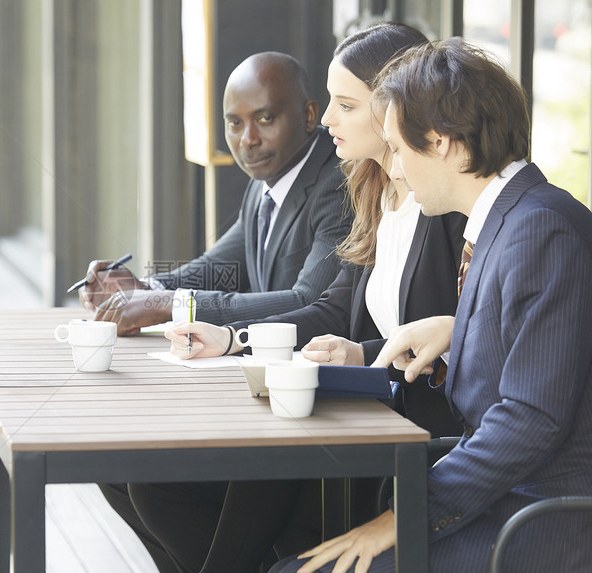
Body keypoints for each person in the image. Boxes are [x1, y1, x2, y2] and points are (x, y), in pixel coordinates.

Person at [121, 23, 465, 573]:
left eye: (343, 104)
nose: (327, 117)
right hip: (355, 419)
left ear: (394, 108)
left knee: (242, 480)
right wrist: (228, 336)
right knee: (142, 477)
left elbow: (450, 343)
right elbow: (329, 306)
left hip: (402, 443)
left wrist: (358, 354)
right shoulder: (373, 193)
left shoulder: (442, 208)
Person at [272, 38, 592, 573]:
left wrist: (407, 516)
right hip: (501, 502)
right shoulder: (511, 221)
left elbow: (531, 417)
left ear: (441, 142)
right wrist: (456, 330)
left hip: (535, 524)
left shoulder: (539, 230)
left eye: (397, 150)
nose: (393, 171)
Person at [80, 51, 351, 337]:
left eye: (265, 118)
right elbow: (223, 267)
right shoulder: (270, 177)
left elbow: (310, 302)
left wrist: (170, 303)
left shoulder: (338, 184)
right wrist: (146, 288)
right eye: (235, 123)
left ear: (309, 116)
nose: (248, 140)